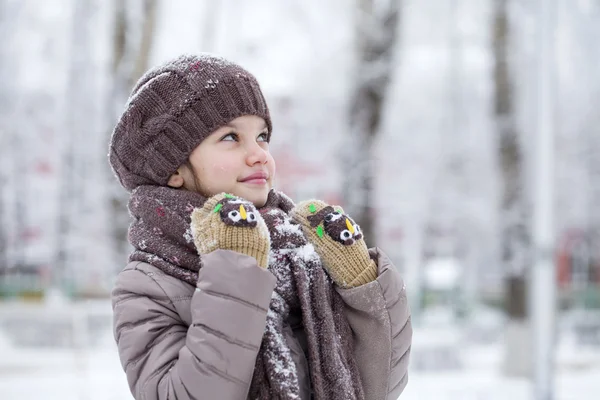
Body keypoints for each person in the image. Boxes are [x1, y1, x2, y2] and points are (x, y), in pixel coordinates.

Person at [108, 53, 412, 400]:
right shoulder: (148, 285)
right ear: (173, 169)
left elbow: (376, 389)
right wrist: (236, 268)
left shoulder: (302, 258)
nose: (260, 155)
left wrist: (362, 288)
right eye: (230, 138)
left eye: (262, 136)